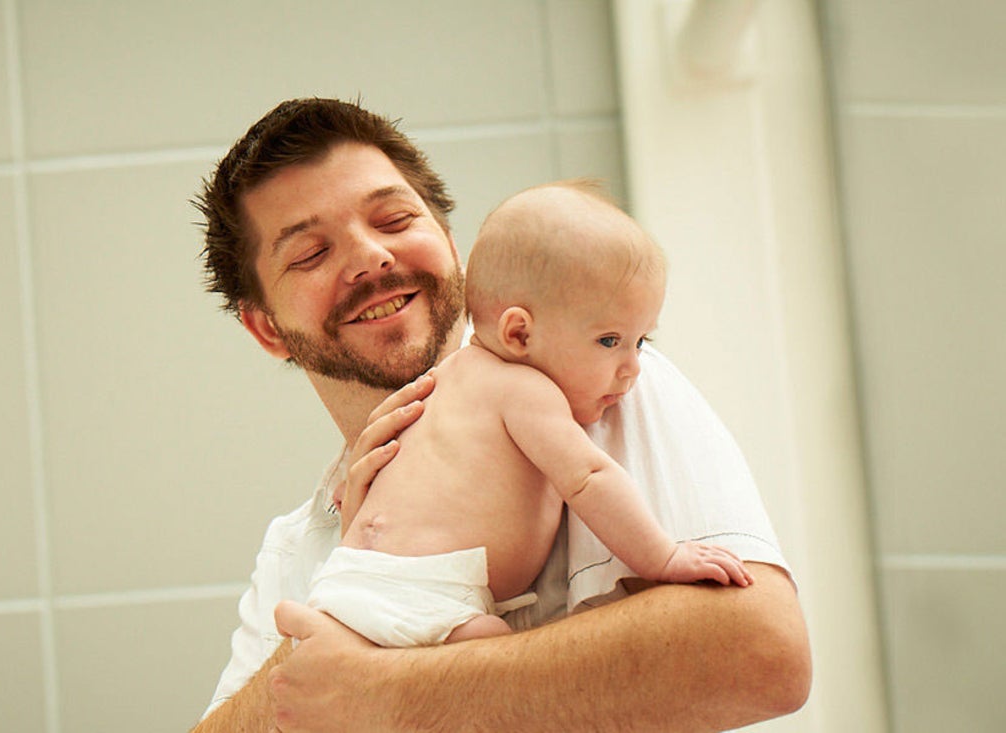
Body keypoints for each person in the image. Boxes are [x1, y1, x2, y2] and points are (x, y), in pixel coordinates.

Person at [192, 97, 810, 733]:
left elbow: (763, 653)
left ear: (454, 248)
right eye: (310, 253)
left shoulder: (594, 385)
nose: (371, 256)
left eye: (396, 218)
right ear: (267, 328)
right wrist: (314, 653)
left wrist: (384, 691)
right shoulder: (296, 550)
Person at [306, 179, 753, 649]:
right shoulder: (523, 389)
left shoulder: (446, 380)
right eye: (609, 341)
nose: (633, 368)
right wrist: (663, 557)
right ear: (519, 333)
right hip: (428, 594)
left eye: (641, 342)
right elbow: (589, 478)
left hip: (345, 581)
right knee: (497, 653)